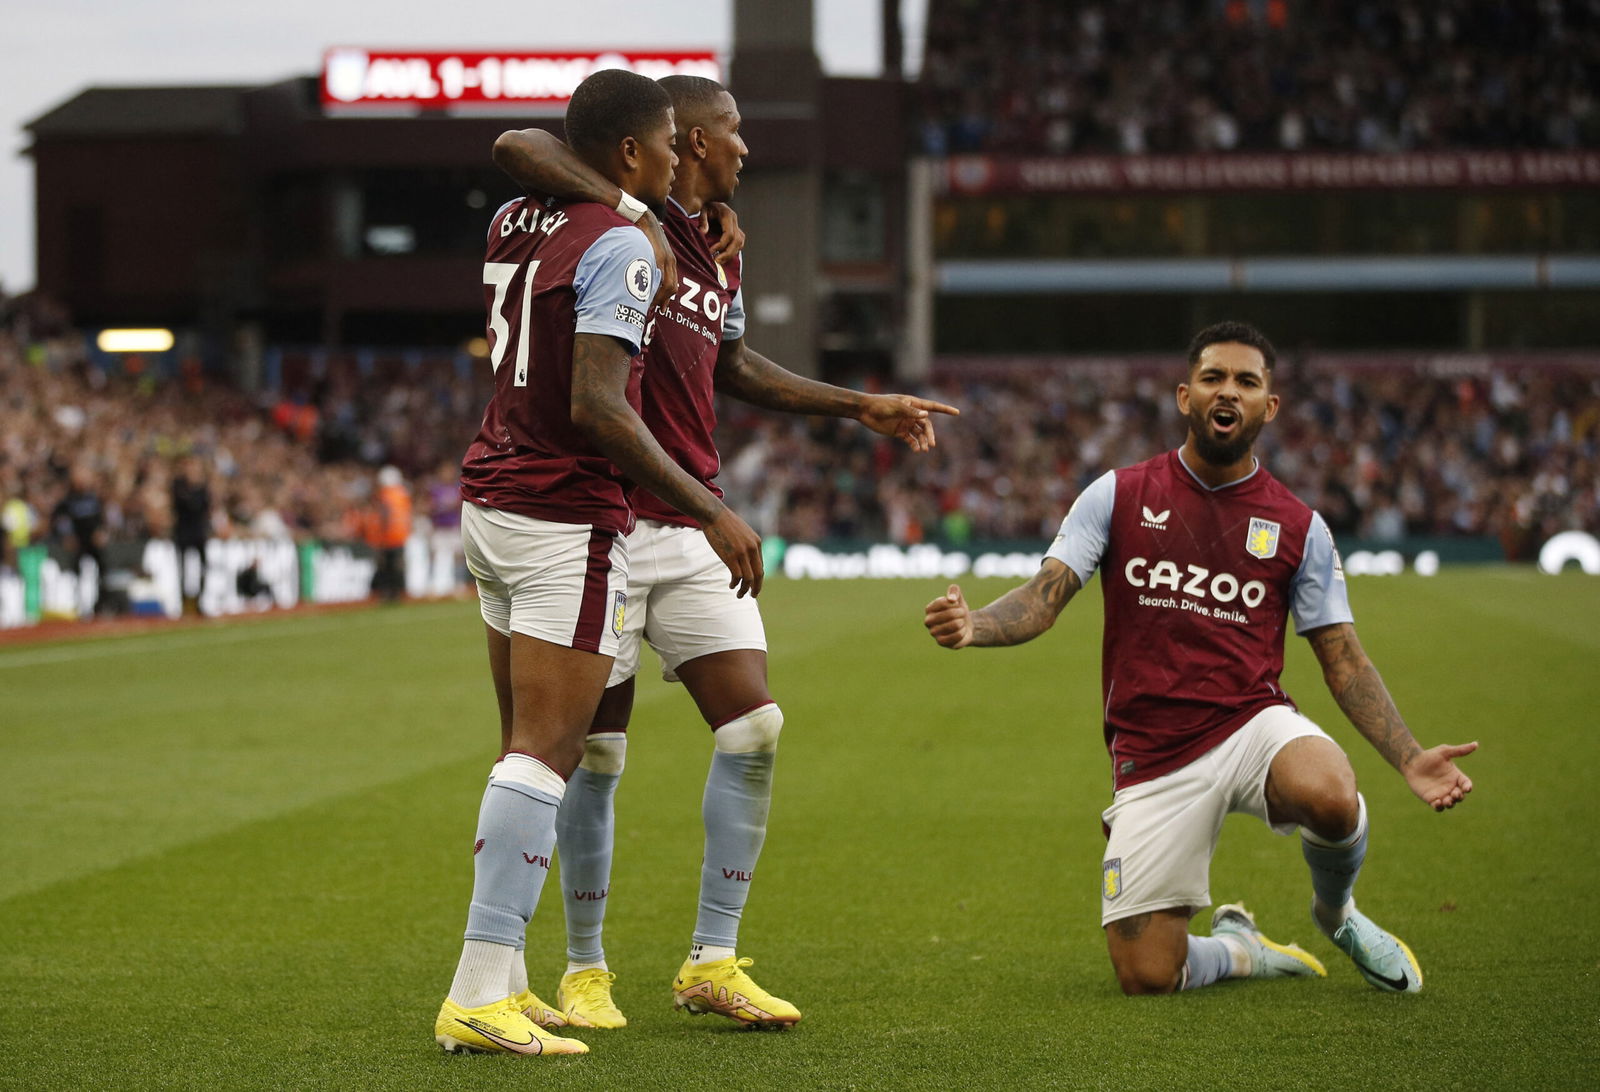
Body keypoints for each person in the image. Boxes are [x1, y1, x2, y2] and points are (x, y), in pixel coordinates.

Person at [493, 74, 959, 1030]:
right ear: (688, 141)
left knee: (753, 727)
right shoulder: (615, 215)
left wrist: (855, 403)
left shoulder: (716, 249)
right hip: (611, 520)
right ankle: (585, 969)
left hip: (694, 524)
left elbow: (733, 365)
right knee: (597, 752)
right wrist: (633, 206)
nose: (745, 148)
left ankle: (711, 958)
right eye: (731, 132)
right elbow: (515, 146)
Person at [923, 321, 1476, 996]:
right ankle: (1242, 950)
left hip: (1250, 723)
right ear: (1186, 396)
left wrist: (1410, 756)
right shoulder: (1119, 494)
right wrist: (975, 624)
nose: (1229, 391)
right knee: (1148, 974)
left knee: (1332, 793)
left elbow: (1344, 660)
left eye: (1248, 381)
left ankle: (1338, 913)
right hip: (1152, 748)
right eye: (1214, 378)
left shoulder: (1300, 526)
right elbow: (1045, 597)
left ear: (1269, 407)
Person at [435, 68, 764, 1058]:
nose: (677, 164)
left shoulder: (515, 220)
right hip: (563, 514)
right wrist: (709, 508)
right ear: (629, 151)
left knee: (523, 749)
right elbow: (598, 406)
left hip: (489, 497)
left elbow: (521, 151)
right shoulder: (624, 241)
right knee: (548, 752)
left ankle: (509, 979)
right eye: (666, 144)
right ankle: (473, 990)